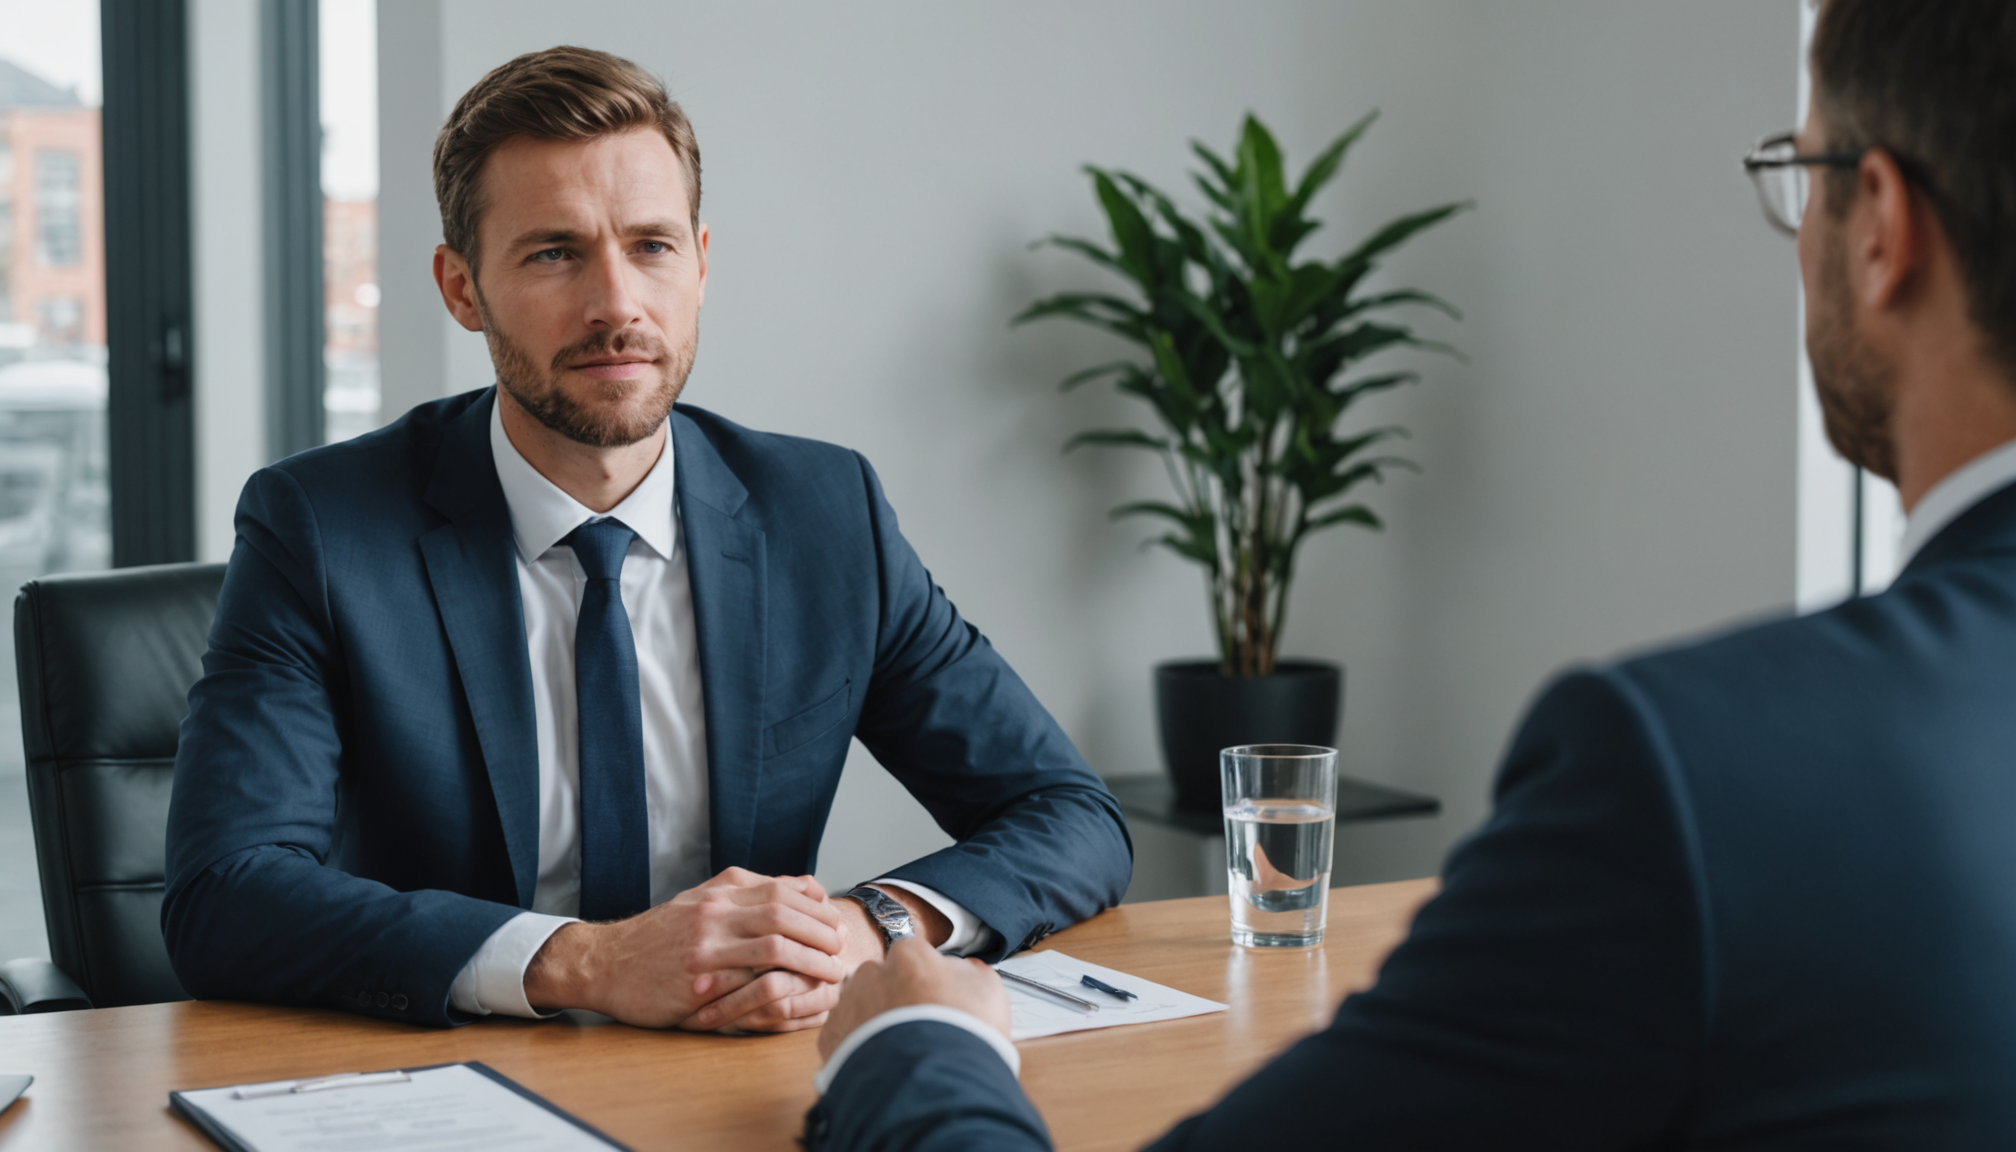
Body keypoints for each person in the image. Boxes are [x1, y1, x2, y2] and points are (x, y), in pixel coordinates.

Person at [804, 1, 2016, 1145]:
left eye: (1799, 181)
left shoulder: (1690, 774)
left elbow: (1067, 816)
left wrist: (914, 1046)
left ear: (1879, 229)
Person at [161, 46, 1131, 1033]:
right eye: (554, 253)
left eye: (653, 247)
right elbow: (225, 895)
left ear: (701, 263)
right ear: (461, 289)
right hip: (457, 1086)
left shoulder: (823, 513)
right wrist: (590, 962)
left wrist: (865, 925)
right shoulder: (321, 529)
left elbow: (1068, 816)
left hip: (742, 1077)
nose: (617, 307)